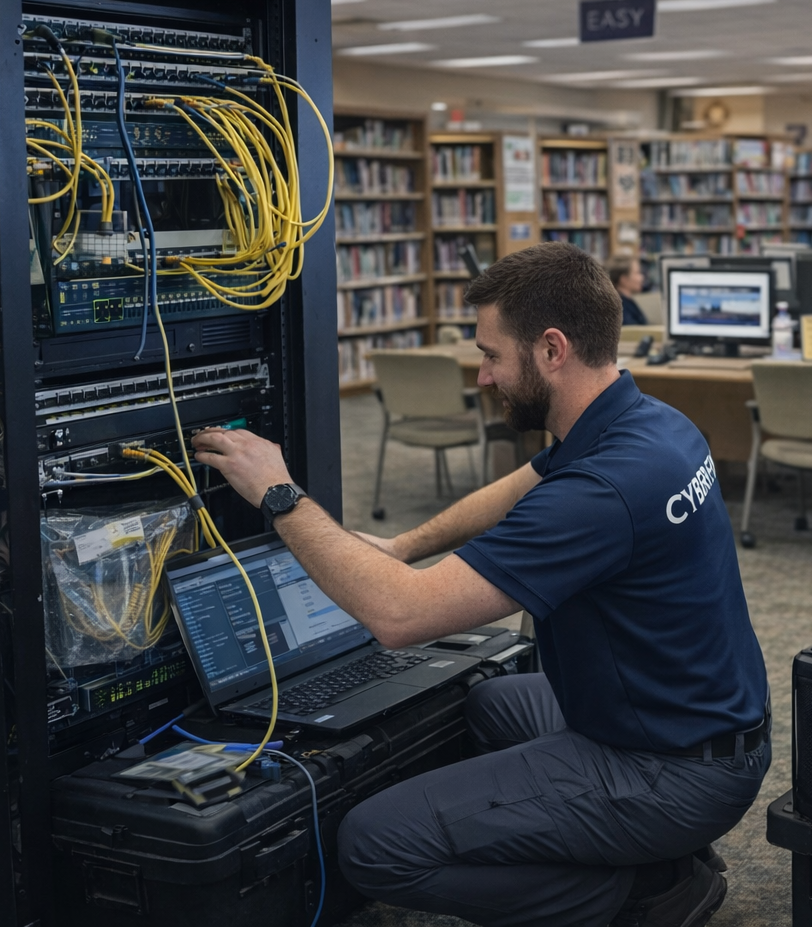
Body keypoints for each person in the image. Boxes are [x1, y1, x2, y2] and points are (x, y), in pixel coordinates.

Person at [191, 243, 770, 927]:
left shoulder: (603, 492)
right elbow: (521, 484)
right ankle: (642, 851)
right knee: (493, 702)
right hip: (702, 724)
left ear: (551, 349)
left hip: (671, 771)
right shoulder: (650, 424)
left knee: (373, 845)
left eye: (492, 355)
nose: (485, 376)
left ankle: (642, 893)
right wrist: (404, 544)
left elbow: (399, 616)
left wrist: (279, 494)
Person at [608, 254, 649, 325]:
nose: (641, 277)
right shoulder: (622, 310)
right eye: (637, 273)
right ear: (624, 279)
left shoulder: (627, 301)